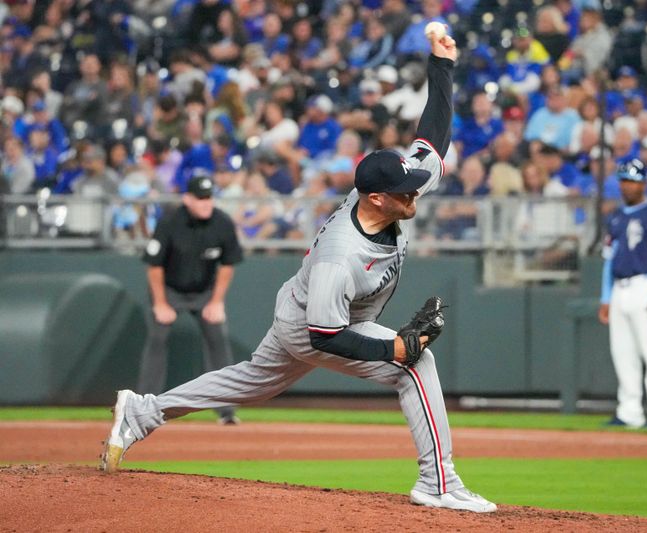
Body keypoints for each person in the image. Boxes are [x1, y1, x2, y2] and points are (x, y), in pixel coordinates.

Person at [101, 33, 497, 514]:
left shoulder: (388, 191)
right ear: (376, 197)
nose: (416, 195)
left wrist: (441, 65)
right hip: (317, 320)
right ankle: (438, 483)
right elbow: (326, 335)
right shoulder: (340, 255)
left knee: (251, 382)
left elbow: (432, 138)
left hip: (310, 304)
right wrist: (392, 347)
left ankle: (143, 411)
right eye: (406, 192)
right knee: (416, 365)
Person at [135, 172, 243, 426]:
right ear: (187, 199)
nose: (205, 203)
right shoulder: (171, 221)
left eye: (208, 197)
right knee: (157, 338)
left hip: (204, 291)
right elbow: (154, 266)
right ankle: (142, 407)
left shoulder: (222, 223)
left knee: (218, 340)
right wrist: (160, 303)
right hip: (170, 289)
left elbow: (228, 264)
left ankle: (226, 411)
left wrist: (217, 301)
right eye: (200, 198)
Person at [597, 159, 647, 430]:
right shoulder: (617, 216)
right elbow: (609, 260)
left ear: (643, 182)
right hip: (621, 288)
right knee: (623, 353)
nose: (627, 186)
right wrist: (605, 298)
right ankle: (629, 410)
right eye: (623, 180)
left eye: (632, 180)